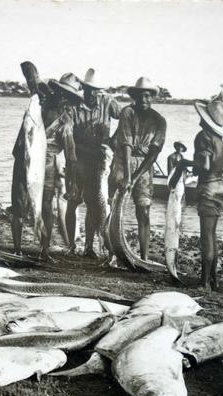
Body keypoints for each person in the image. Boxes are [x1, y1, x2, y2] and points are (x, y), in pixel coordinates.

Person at [11, 72, 80, 260]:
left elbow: (71, 155)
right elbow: (27, 68)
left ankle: (44, 250)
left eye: (68, 96)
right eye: (60, 92)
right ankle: (17, 249)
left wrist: (72, 182)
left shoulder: (65, 122)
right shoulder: (38, 105)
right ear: (55, 91)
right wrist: (37, 87)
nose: (62, 98)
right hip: (23, 161)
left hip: (45, 168)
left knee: (46, 208)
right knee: (18, 205)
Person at [110, 77, 167, 261]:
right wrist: (127, 175)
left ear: (152, 98)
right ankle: (113, 253)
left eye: (148, 97)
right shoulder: (127, 112)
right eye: (141, 96)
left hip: (144, 166)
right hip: (123, 161)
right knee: (115, 207)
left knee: (143, 211)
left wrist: (135, 177)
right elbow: (125, 142)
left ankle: (144, 256)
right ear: (135, 97)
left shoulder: (159, 120)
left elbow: (154, 153)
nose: (144, 100)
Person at [69, 68, 121, 257]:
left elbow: (126, 118)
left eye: (96, 90)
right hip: (81, 157)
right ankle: (77, 245)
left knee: (97, 202)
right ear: (83, 88)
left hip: (101, 160)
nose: (92, 93)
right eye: (89, 89)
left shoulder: (108, 102)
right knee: (76, 200)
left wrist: (113, 141)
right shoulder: (75, 106)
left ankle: (94, 245)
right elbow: (71, 137)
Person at [192, 95, 223, 292]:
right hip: (220, 187)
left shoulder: (203, 136)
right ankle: (213, 279)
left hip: (207, 186)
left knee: (206, 235)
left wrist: (188, 165)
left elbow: (204, 165)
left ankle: (204, 281)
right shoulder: (218, 138)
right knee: (212, 234)